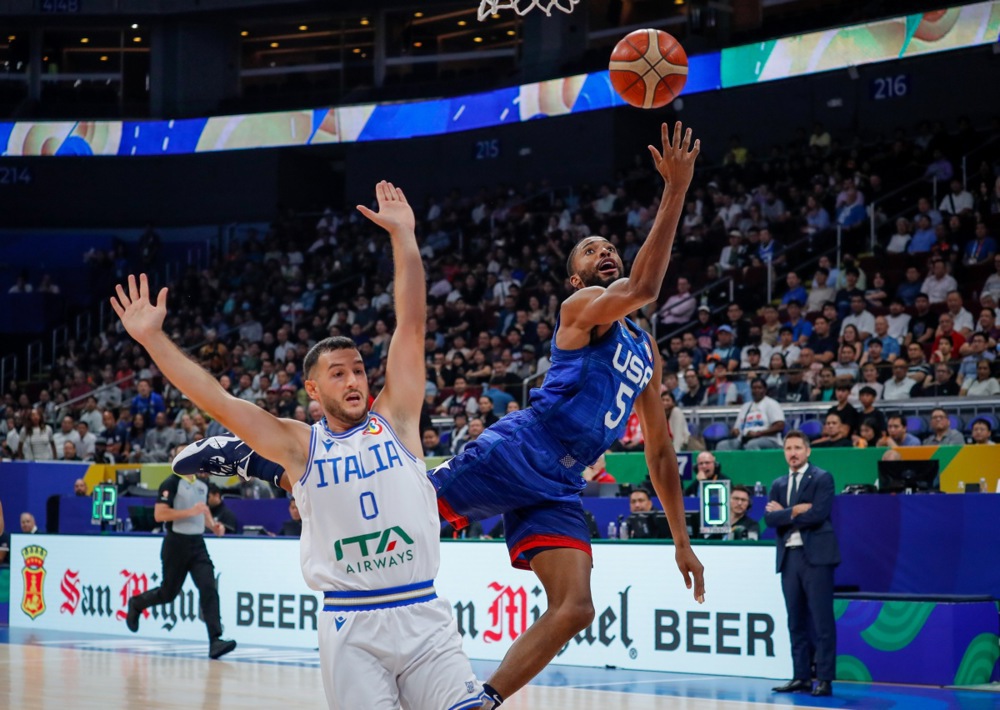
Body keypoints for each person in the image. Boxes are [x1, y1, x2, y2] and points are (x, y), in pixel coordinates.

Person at [117, 183, 484, 708]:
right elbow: (217, 398)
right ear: (313, 390)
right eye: (339, 374)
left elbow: (412, 324)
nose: (354, 380)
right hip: (350, 625)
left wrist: (404, 236)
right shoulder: (301, 445)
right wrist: (154, 339)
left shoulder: (397, 418)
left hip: (423, 614)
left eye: (359, 369)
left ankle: (242, 459)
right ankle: (243, 455)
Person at [123, 444, 235, 659]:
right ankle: (137, 603)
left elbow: (202, 511)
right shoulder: (170, 483)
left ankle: (215, 640)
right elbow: (160, 514)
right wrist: (189, 512)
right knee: (168, 593)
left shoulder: (203, 485)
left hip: (197, 544)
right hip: (176, 544)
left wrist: (214, 526)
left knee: (208, 587)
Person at [766, 431, 839, 697]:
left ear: (808, 451)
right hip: (789, 558)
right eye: (788, 448)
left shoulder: (822, 478)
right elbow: (770, 521)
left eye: (798, 447)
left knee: (821, 620)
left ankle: (825, 678)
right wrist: (796, 511)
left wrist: (784, 514)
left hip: (816, 557)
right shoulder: (778, 483)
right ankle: (801, 676)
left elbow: (819, 514)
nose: (793, 452)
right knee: (795, 620)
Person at [716, 378, 786, 451]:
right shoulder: (745, 407)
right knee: (722, 445)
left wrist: (758, 433)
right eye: (754, 388)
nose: (756, 391)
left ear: (765, 390)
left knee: (752, 444)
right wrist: (735, 431)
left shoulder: (771, 404)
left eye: (759, 388)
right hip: (744, 439)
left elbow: (780, 425)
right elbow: (737, 428)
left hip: (768, 439)